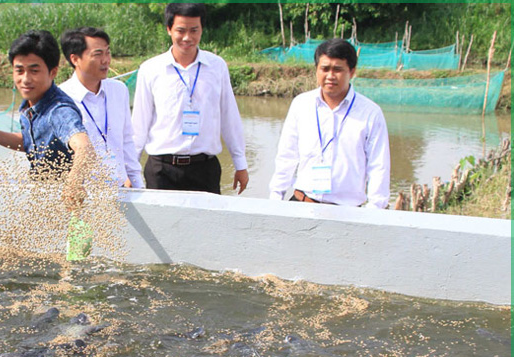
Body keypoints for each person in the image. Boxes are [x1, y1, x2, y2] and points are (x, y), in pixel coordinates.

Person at [131, 3, 249, 195]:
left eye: (194, 30)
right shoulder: (151, 69)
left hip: (205, 169)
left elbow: (229, 117)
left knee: (207, 225)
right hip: (162, 170)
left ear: (202, 29)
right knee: (162, 225)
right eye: (181, 30)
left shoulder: (216, 67)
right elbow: (139, 123)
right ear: (169, 29)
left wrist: (240, 163)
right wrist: (130, 168)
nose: (187, 37)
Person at [268, 38, 391, 208]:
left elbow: (379, 166)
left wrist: (374, 208)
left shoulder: (370, 113)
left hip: (348, 212)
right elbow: (287, 155)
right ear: (316, 70)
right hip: (302, 204)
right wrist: (275, 197)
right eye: (324, 69)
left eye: (338, 69)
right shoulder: (301, 104)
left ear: (352, 72)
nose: (330, 76)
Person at [0, 30, 93, 210]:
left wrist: (73, 182)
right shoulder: (30, 105)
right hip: (42, 199)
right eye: (19, 71)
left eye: (34, 71)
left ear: (53, 72)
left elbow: (84, 147)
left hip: (66, 203)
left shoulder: (58, 111)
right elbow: (28, 141)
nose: (25, 79)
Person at [59, 27, 144, 189]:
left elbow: (126, 141)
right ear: (75, 59)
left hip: (121, 190)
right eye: (98, 54)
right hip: (84, 194)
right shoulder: (62, 99)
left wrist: (139, 186)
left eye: (108, 52)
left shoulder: (118, 90)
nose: (106, 60)